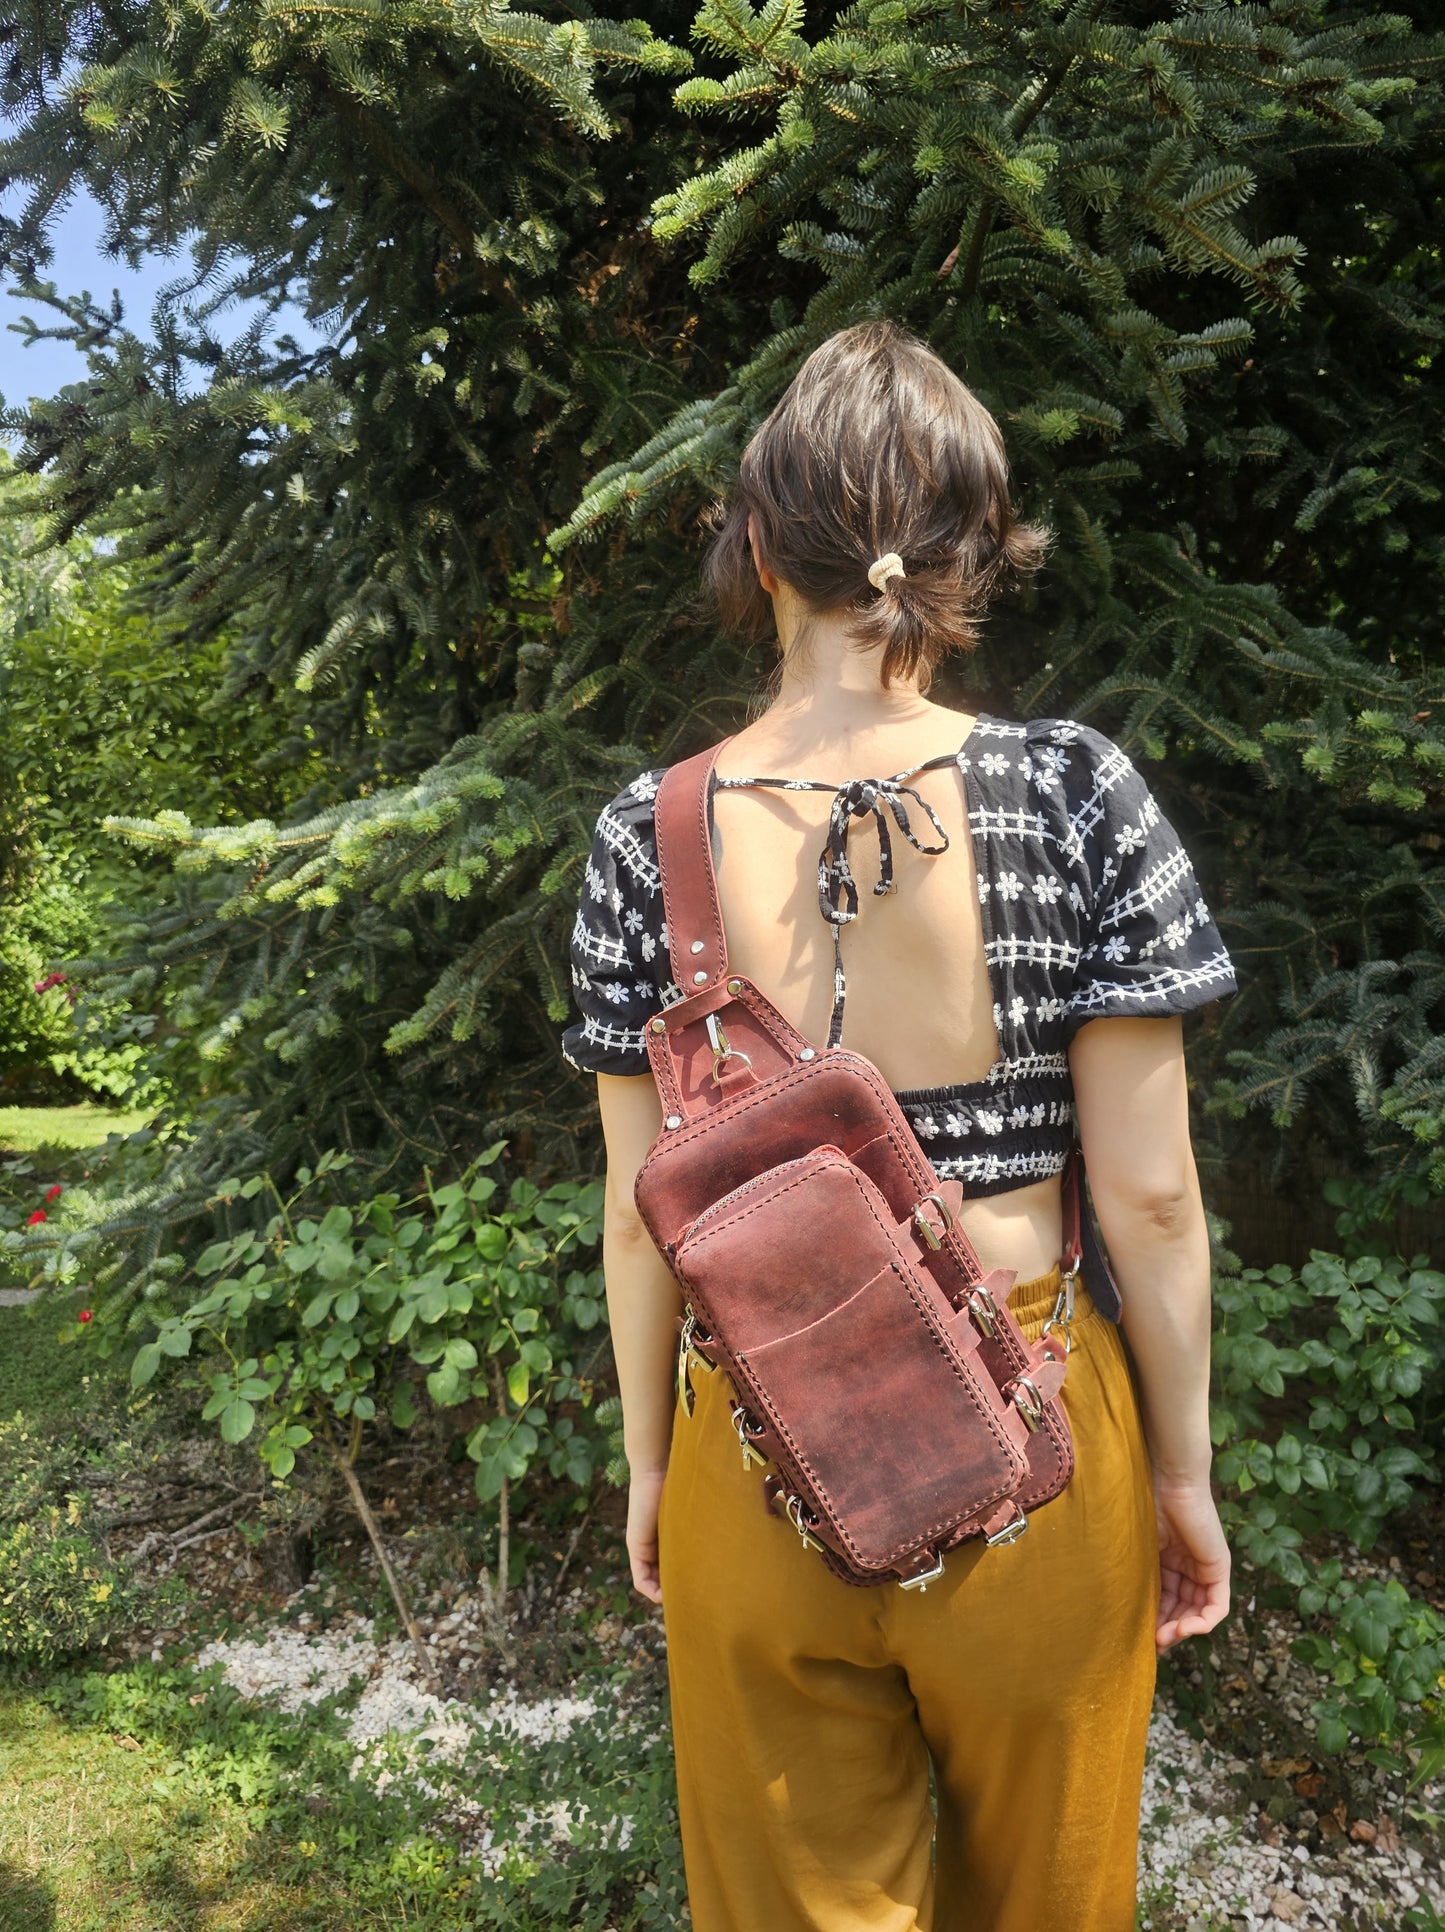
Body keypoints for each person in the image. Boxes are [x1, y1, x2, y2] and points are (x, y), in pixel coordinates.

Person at [560, 319, 1237, 1932]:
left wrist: (654, 1464)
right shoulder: (1073, 794)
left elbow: (636, 1210)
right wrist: (1185, 1480)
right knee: (1053, 1901)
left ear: (756, 545)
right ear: (966, 561)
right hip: (1034, 1424)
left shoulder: (643, 836)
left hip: (755, 1431)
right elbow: (1147, 1205)